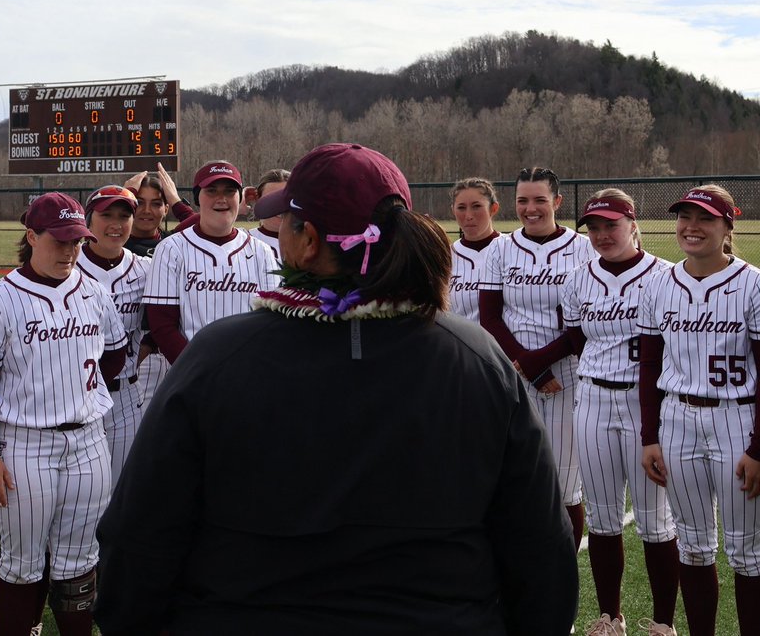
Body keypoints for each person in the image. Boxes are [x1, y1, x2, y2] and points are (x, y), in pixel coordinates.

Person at [95, 143, 578, 635]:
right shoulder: (475, 358)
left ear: (307, 242)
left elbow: (138, 540)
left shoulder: (219, 355)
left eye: (285, 219)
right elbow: (541, 550)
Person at [0, 192, 128, 636]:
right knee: (22, 565)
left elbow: (115, 353)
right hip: (25, 445)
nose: (70, 251)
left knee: (79, 561)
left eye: (77, 241)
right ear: (31, 236)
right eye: (60, 241)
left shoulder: (93, 291)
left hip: (89, 442)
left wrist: (80, 391)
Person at [517, 191, 680, 636]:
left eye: (611, 225)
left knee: (655, 522)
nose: (602, 235)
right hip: (591, 401)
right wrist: (532, 362)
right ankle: (610, 616)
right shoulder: (577, 279)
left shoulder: (666, 277)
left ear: (632, 223)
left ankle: (664, 623)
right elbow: (577, 337)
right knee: (605, 518)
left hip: (646, 404)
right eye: (593, 227)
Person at [639, 186, 760, 636]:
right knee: (694, 548)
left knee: (747, 551)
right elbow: (649, 367)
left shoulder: (757, 284)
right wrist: (650, 436)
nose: (692, 227)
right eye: (684, 217)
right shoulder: (659, 282)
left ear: (727, 227)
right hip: (678, 421)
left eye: (704, 218)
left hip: (736, 422)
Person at [479, 166, 594, 543]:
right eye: (523, 200)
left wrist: (541, 364)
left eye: (540, 200)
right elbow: (490, 317)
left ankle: (563, 579)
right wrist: (529, 367)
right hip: (514, 375)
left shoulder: (583, 248)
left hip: (568, 375)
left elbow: (585, 322)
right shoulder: (500, 247)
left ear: (557, 202)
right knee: (514, 479)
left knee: (565, 487)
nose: (530, 208)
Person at [140, 160, 279, 365]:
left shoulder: (262, 252)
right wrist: (197, 369)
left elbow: (271, 322)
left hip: (248, 371)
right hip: (190, 375)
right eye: (212, 190)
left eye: (229, 191)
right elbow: (162, 325)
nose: (221, 198)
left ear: (239, 197)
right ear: (198, 198)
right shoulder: (171, 248)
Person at [75, 184, 153, 488]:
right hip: (75, 398)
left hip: (124, 397)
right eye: (106, 214)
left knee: (121, 493)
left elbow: (162, 321)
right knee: (79, 497)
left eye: (124, 215)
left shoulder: (146, 270)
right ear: (88, 219)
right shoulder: (65, 266)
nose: (116, 224)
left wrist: (145, 347)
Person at [447, 176, 501, 321]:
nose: (469, 215)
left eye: (477, 206)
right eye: (461, 208)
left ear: (493, 208)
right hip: (460, 342)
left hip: (504, 342)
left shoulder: (512, 249)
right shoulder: (445, 257)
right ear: (453, 210)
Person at [122, 163, 194, 258]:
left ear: (166, 209)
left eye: (156, 204)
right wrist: (124, 198)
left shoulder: (175, 241)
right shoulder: (115, 242)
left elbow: (203, 225)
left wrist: (175, 201)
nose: (147, 210)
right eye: (139, 203)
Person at [243, 168, 291, 262]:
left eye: (286, 198)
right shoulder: (243, 241)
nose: (279, 205)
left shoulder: (312, 240)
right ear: (258, 201)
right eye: (271, 198)